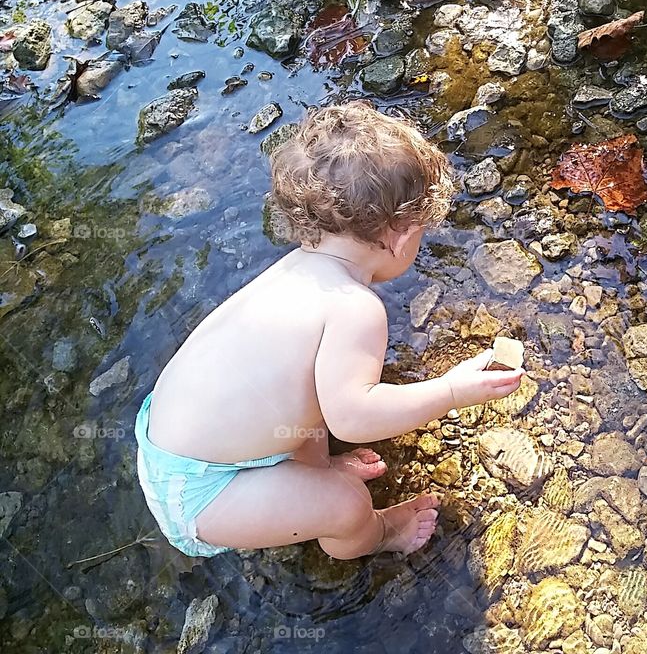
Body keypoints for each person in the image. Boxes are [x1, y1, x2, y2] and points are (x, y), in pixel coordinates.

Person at [135, 100, 523, 559]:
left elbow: (306, 402)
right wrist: (451, 391)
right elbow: (355, 419)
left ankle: (312, 475)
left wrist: (320, 460)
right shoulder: (356, 309)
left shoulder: (298, 269)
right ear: (400, 235)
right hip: (205, 494)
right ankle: (378, 535)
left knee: (308, 392)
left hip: (168, 439)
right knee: (347, 502)